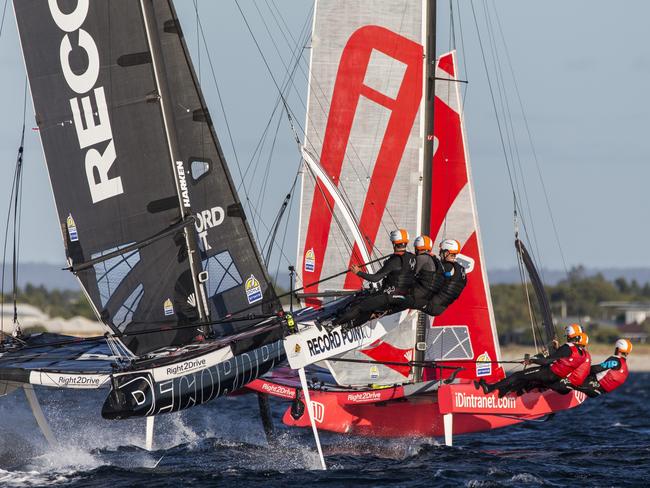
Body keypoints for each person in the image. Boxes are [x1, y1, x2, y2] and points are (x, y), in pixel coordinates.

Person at [331, 229, 416, 328]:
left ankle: (332, 324)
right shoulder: (412, 258)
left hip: (390, 297)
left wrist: (358, 272)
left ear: (393, 243)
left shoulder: (394, 261)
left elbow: (375, 278)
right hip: (405, 299)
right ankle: (349, 326)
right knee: (371, 307)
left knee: (360, 306)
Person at [476, 324, 590, 397]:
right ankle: (506, 392)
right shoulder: (582, 354)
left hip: (548, 373)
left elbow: (548, 361)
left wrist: (532, 360)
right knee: (527, 378)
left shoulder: (567, 348)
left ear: (570, 335)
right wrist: (556, 349)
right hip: (555, 378)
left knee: (517, 375)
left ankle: (490, 388)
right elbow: (563, 358)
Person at [418, 239, 467, 316]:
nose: (439, 254)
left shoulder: (447, 267)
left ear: (446, 253)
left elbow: (429, 278)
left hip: (431, 305)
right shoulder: (461, 269)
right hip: (441, 308)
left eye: (441, 251)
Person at [410, 235, 446, 310]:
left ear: (417, 248)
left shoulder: (422, 258)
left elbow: (409, 273)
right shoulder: (435, 258)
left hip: (422, 293)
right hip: (433, 293)